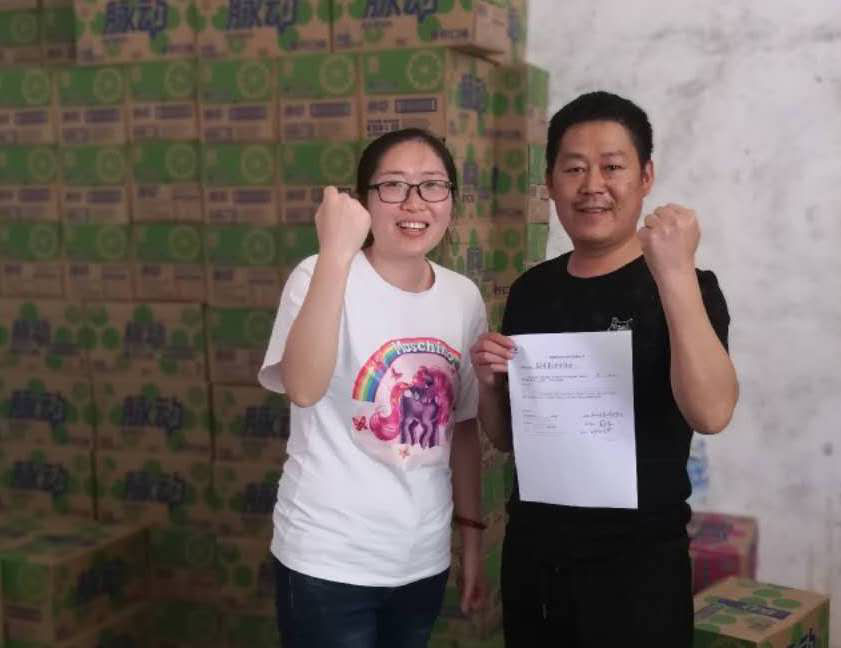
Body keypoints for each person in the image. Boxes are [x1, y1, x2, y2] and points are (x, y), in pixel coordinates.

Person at [470, 91, 739, 646]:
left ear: (645, 177)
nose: (592, 185)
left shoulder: (688, 285)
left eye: (612, 167)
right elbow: (511, 439)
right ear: (550, 183)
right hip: (535, 566)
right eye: (573, 169)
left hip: (637, 573)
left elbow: (712, 413)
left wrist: (674, 273)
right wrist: (491, 386)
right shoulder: (531, 291)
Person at [259, 128, 488, 648]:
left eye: (433, 185)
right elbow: (302, 387)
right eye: (393, 185)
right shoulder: (318, 274)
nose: (415, 203)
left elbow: (463, 428)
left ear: (450, 199)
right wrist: (336, 253)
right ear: (364, 200)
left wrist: (471, 542)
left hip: (422, 560)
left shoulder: (462, 296)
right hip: (327, 560)